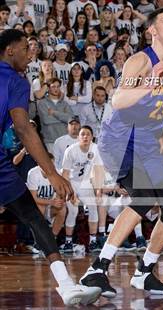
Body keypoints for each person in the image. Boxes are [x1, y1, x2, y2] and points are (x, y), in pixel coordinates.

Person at [78, 7, 163, 298]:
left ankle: (144, 270)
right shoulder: (140, 61)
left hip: (149, 144)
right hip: (121, 140)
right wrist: (151, 83)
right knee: (143, 197)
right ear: (151, 30)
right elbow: (118, 99)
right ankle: (97, 269)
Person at [0, 28, 100, 306]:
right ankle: (66, 286)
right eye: (24, 48)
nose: (30, 54)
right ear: (9, 50)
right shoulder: (17, 82)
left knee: (33, 215)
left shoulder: (17, 81)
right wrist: (53, 173)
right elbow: (23, 128)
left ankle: (67, 285)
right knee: (33, 217)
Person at [61, 125, 103, 253]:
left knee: (93, 209)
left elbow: (98, 172)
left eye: (88, 134)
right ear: (78, 137)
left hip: (86, 183)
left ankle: (93, 241)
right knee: (73, 211)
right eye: (82, 134)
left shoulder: (96, 149)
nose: (85, 136)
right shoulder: (71, 150)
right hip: (72, 182)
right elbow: (65, 174)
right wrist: (70, 193)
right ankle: (68, 242)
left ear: (92, 137)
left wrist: (98, 192)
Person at [27, 153, 67, 245]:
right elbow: (33, 198)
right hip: (37, 204)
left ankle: (52, 240)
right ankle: (38, 242)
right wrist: (51, 202)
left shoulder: (57, 172)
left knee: (62, 208)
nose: (50, 167)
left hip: (50, 204)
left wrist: (58, 200)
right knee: (40, 207)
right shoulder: (33, 173)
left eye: (51, 164)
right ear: (39, 164)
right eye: (47, 164)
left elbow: (60, 193)